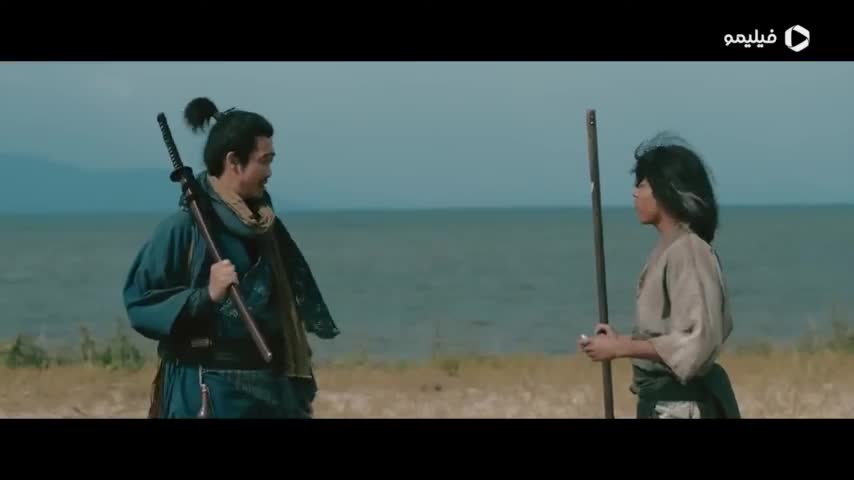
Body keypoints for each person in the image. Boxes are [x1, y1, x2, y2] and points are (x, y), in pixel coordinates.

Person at [123, 97, 340, 418]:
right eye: (264, 161)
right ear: (234, 161)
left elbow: (282, 314)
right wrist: (206, 296)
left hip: (272, 389)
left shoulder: (268, 229)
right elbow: (140, 304)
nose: (270, 171)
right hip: (205, 391)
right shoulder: (184, 228)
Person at [579, 132, 740, 419]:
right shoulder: (668, 249)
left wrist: (621, 347)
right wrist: (622, 340)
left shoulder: (689, 250)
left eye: (642, 185)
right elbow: (666, 333)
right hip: (662, 404)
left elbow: (697, 342)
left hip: (680, 408)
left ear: (667, 190)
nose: (635, 193)